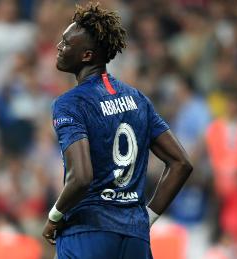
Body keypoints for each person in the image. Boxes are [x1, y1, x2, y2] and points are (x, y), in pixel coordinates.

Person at [41, 3, 193, 258]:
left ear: (86, 55)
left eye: (66, 43)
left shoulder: (70, 103)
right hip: (134, 237)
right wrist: (147, 218)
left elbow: (81, 177)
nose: (59, 47)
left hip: (87, 231)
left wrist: (54, 216)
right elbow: (181, 163)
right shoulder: (138, 99)